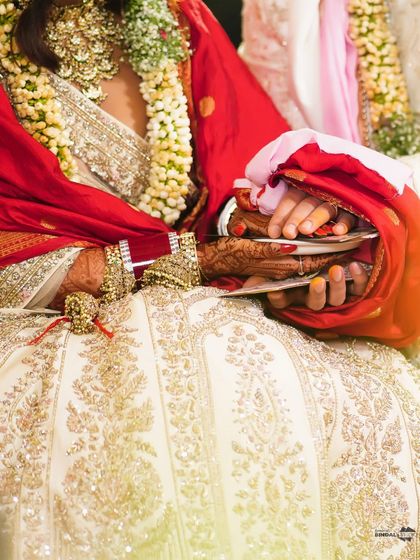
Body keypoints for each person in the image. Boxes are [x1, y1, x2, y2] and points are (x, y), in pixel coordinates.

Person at [0, 0, 418, 558]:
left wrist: (287, 233)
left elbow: (238, 168)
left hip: (221, 296)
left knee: (355, 400)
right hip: (53, 316)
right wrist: (206, 258)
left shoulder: (175, 15)